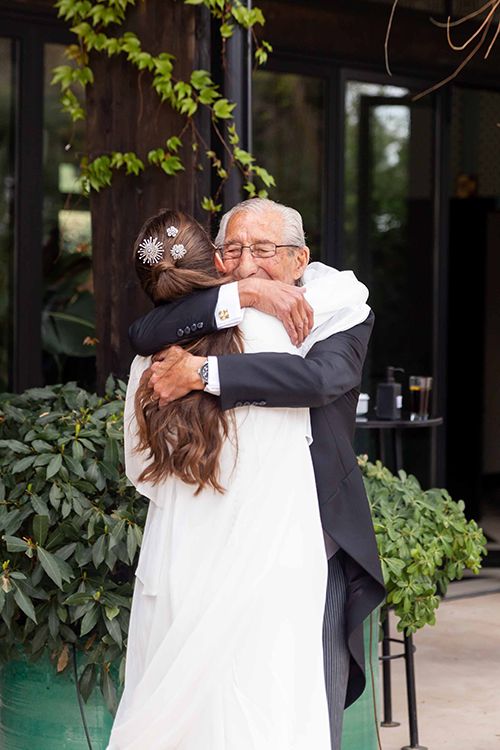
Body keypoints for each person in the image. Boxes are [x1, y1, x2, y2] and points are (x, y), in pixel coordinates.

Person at [108, 207, 373, 750]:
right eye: (233, 250)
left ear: (300, 259)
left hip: (312, 531)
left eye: (263, 250)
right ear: (214, 263)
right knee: (275, 708)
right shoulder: (239, 323)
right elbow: (144, 328)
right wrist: (248, 299)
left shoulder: (336, 305)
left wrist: (202, 374)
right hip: (272, 550)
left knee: (296, 691)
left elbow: (319, 379)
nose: (247, 264)